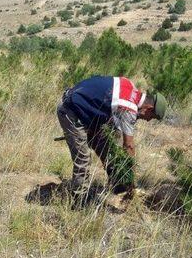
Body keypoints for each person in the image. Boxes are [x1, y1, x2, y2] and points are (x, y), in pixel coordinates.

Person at [57, 76, 166, 205]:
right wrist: (131, 176)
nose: (148, 120)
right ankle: (79, 201)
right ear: (148, 108)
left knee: (106, 147)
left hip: (86, 111)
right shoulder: (129, 108)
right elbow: (128, 147)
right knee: (83, 158)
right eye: (151, 117)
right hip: (71, 112)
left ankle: (119, 185)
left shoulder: (129, 85)